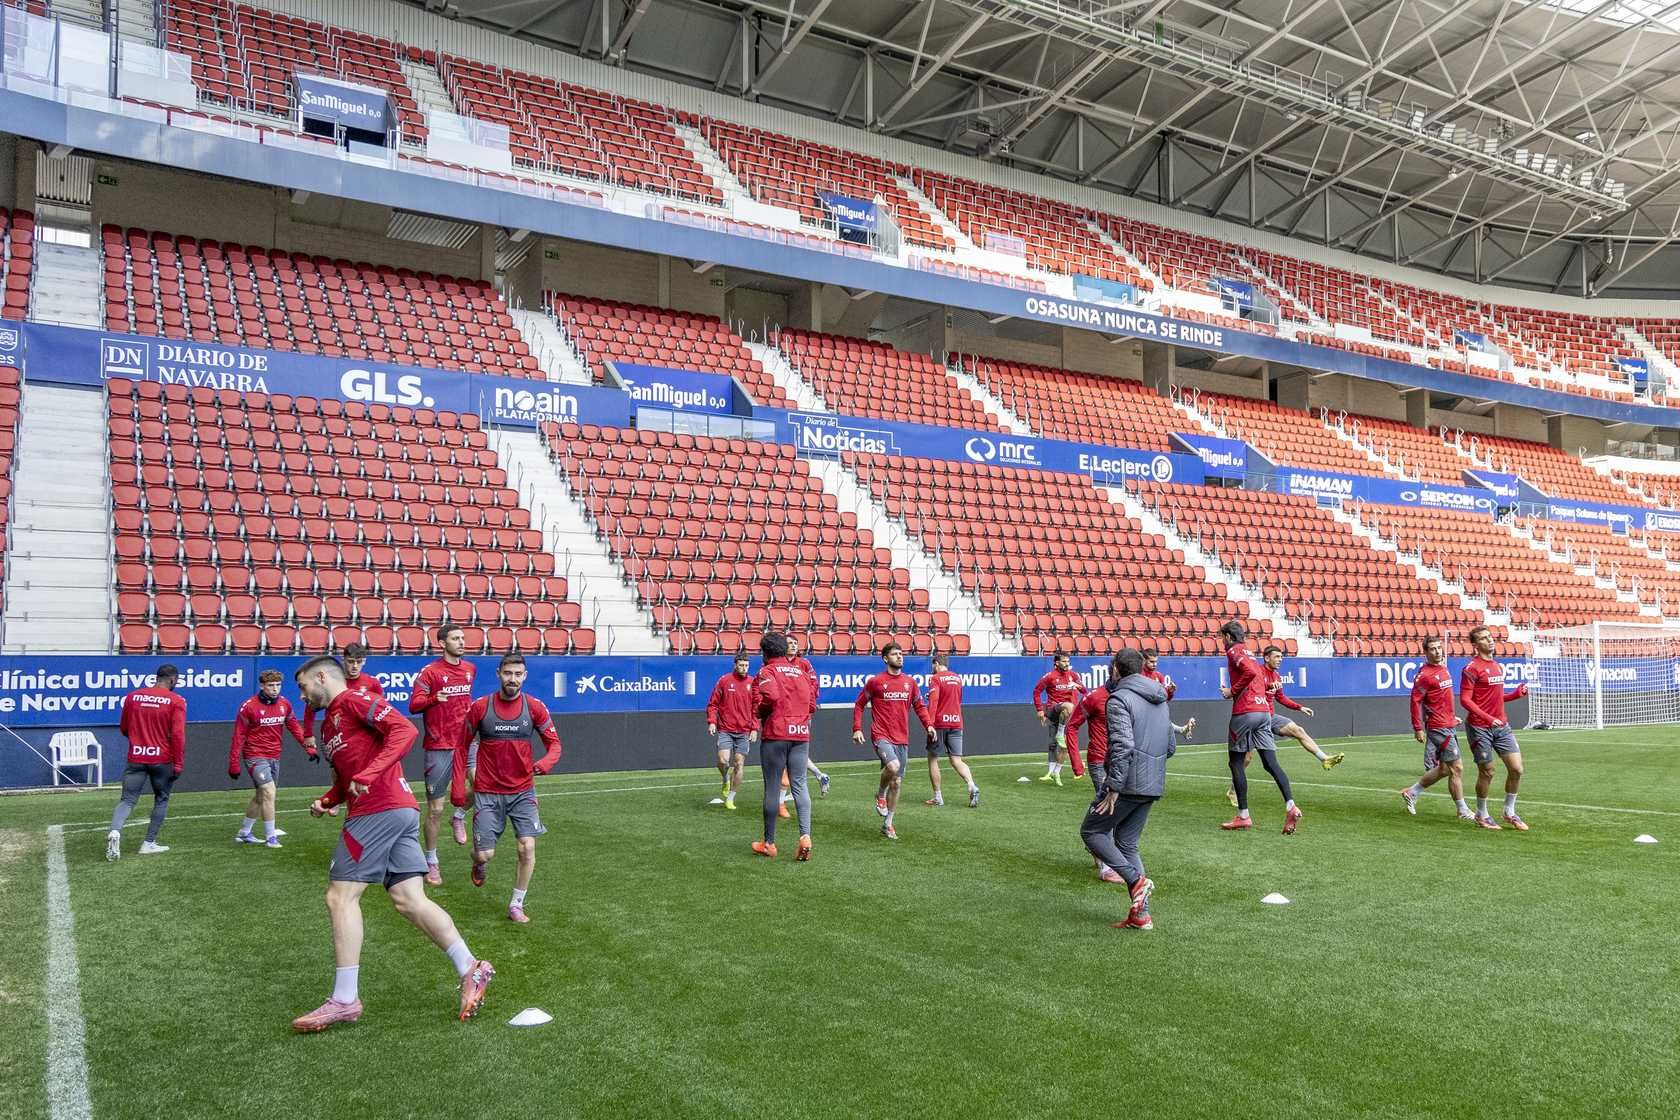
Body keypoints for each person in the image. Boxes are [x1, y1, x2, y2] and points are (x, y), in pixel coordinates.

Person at [290, 656, 493, 1032]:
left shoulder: (353, 700)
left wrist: (368, 775)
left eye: (304, 687)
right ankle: (472, 967)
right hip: (394, 810)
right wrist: (328, 801)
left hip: (378, 810)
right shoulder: (328, 724)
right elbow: (347, 779)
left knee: (340, 897)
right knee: (410, 900)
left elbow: (404, 730)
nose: (302, 696)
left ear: (321, 677)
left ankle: (345, 999)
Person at [455, 652, 561, 923]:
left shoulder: (534, 707)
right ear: (498, 673)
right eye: (507, 673)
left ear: (524, 676)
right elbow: (460, 747)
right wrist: (458, 789)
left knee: (526, 847)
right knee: (483, 853)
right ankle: (478, 864)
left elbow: (555, 745)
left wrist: (546, 762)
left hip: (523, 791)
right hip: (488, 793)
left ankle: (516, 904)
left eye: (517, 674)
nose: (512, 679)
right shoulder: (481, 707)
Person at [1080, 649, 1175, 932]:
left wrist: (1113, 788)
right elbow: (1170, 747)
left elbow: (1122, 745)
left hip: (1127, 783)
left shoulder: (1118, 698)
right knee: (1127, 843)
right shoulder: (1160, 697)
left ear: (1116, 671)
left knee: (1092, 832)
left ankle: (1136, 881)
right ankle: (1141, 915)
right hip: (1153, 782)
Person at [1071, 666, 1194, 882]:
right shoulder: (1098, 697)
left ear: (1116, 671)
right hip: (1104, 763)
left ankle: (1129, 877)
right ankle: (1137, 907)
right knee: (1116, 831)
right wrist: (1076, 762)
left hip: (1122, 771)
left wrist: (1115, 784)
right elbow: (1072, 725)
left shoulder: (1128, 699)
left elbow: (1124, 745)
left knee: (1096, 826)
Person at [1222, 645, 1342, 804]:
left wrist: (1299, 707)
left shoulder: (1277, 677)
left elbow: (1281, 698)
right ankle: (1233, 790)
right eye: (1276, 657)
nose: (1280, 660)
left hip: (1269, 717)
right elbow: (1250, 689)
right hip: (1254, 714)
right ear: (1266, 658)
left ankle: (1324, 759)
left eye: (1281, 657)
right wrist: (1266, 687)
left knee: (1298, 730)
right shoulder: (1257, 671)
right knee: (1247, 758)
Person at [409, 623, 477, 884]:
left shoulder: (470, 669)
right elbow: (414, 705)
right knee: (435, 808)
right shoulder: (430, 673)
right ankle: (432, 861)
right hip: (439, 746)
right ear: (442, 643)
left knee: (484, 784)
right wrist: (433, 699)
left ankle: (459, 815)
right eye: (455, 638)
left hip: (467, 742)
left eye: (462, 638)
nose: (461, 642)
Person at [1219, 621, 1302, 834]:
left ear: (1228, 637)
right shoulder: (1250, 653)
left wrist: (1231, 691)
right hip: (1264, 711)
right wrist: (1267, 687)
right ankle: (1290, 805)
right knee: (1270, 763)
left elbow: (1249, 674)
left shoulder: (1234, 651)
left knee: (1236, 763)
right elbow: (1257, 679)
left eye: (1222, 637)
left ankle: (1243, 816)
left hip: (1245, 712)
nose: (1222, 641)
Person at [105, 664, 188, 861]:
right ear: (172, 680)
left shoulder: (133, 697)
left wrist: (138, 740)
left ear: (156, 677)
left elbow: (124, 728)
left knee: (127, 799)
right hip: (162, 759)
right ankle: (148, 843)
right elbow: (178, 735)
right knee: (161, 798)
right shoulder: (176, 701)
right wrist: (178, 763)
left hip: (136, 757)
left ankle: (115, 831)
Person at [853, 641, 933, 841]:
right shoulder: (876, 682)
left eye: (901, 653)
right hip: (881, 734)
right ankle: (880, 795)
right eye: (895, 654)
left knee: (896, 782)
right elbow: (859, 704)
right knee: (893, 766)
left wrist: (929, 725)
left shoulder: (910, 682)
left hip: (902, 737)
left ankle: (888, 823)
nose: (900, 656)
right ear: (885, 658)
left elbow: (920, 706)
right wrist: (856, 728)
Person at [228, 667, 312, 848]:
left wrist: (309, 749)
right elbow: (238, 736)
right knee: (269, 792)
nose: (275, 689)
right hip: (255, 755)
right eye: (270, 685)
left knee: (261, 796)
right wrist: (234, 763)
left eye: (278, 685)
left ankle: (244, 833)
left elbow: (295, 728)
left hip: (274, 755)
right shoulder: (249, 706)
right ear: (262, 686)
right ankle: (270, 837)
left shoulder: (284, 704)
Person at [750, 632, 815, 860]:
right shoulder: (802, 671)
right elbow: (812, 703)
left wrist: (760, 711)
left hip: (777, 733)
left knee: (772, 787)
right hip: (801, 733)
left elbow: (771, 696)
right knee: (800, 785)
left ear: (765, 653)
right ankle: (805, 837)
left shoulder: (767, 671)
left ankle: (769, 843)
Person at [1460, 626, 1530, 831]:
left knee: (1517, 769)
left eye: (1490, 637)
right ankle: (1481, 814)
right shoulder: (1471, 668)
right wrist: (1488, 718)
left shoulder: (1497, 667)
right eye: (1483, 638)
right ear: (1475, 645)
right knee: (1487, 772)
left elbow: (1496, 698)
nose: (1489, 641)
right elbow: (1465, 699)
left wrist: (1515, 694)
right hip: (1480, 727)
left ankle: (1509, 812)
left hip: (1501, 725)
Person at [1402, 636, 1476, 821]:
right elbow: (1414, 700)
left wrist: (1451, 717)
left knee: (1444, 769)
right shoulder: (1425, 675)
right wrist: (1417, 727)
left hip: (1447, 724)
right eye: (1433, 649)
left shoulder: (1443, 668)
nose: (1437, 652)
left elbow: (1442, 699)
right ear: (1426, 653)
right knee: (1457, 768)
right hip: (1438, 727)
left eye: (1439, 648)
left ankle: (1412, 792)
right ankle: (1462, 809)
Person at [302, 641, 382, 752]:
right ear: (343, 659)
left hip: (362, 738)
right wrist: (308, 734)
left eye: (359, 662)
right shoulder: (330, 682)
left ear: (364, 661)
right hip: (336, 736)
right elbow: (310, 708)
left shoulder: (373, 683)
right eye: (350, 661)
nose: (355, 666)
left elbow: (380, 711)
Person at [923, 651, 979, 809]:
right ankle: (972, 786)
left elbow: (933, 704)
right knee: (956, 760)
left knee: (933, 758)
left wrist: (930, 724)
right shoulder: (957, 678)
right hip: (956, 722)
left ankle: (938, 796)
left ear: (936, 664)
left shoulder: (935, 678)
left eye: (932, 665)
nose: (932, 669)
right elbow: (957, 699)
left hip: (939, 723)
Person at [781, 635, 830, 804]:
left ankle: (785, 795)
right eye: (790, 643)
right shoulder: (777, 664)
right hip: (784, 715)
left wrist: (806, 705)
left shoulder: (804, 664)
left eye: (795, 643)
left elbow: (814, 687)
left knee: (792, 752)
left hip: (801, 715)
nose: (793, 645)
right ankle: (819, 775)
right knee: (792, 754)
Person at [707, 652, 758, 811]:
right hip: (726, 729)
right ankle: (725, 777)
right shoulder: (724, 680)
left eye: (746, 665)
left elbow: (757, 708)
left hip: (744, 731)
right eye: (741, 665)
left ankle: (731, 798)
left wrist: (755, 728)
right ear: (735, 665)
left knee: (739, 763)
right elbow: (713, 704)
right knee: (723, 761)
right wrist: (712, 722)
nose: (744, 668)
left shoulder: (753, 682)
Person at [1032, 651, 1086, 785]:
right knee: (1069, 705)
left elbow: (1085, 692)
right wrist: (1039, 710)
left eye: (1068, 661)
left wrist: (1078, 686)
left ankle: (1054, 773)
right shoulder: (1050, 676)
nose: (1067, 664)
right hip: (1053, 709)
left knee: (1060, 746)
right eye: (1064, 661)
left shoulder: (1073, 675)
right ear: (1056, 663)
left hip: (1066, 715)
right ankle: (1060, 734)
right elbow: (1036, 691)